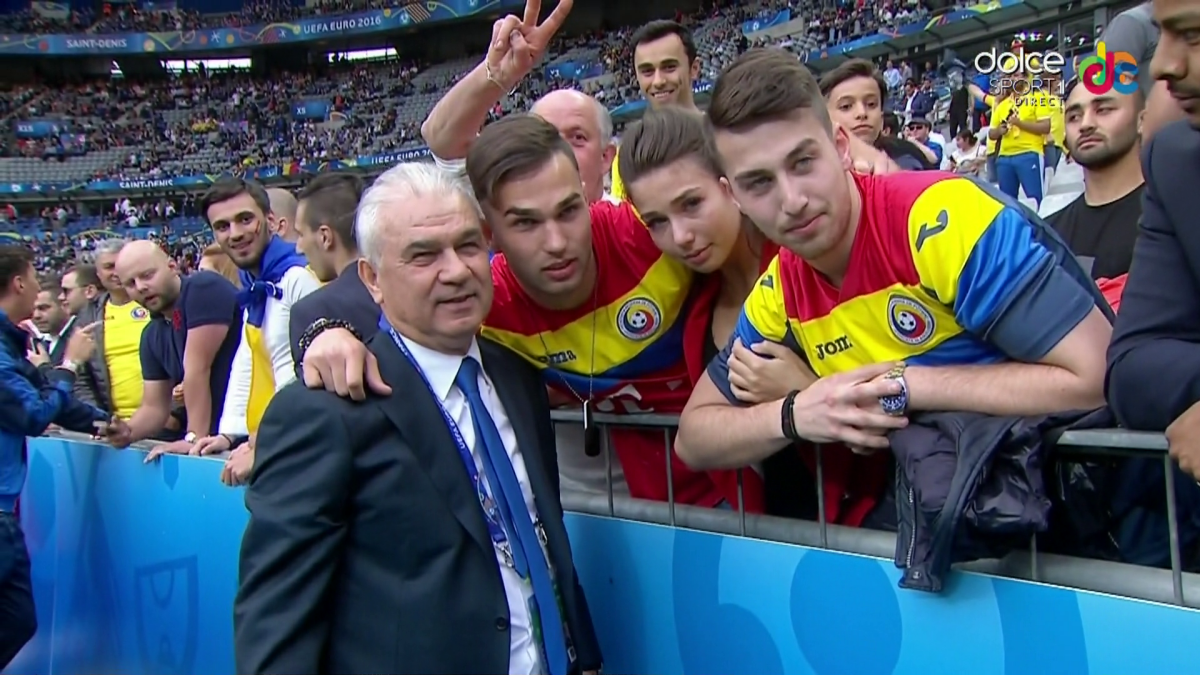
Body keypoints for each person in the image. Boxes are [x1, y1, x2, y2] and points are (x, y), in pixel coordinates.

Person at [234, 162, 601, 675]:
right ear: (372, 279)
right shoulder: (324, 412)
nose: (455, 271)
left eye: (468, 246)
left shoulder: (517, 378)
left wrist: (581, 652)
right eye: (423, 256)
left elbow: (542, 533)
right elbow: (276, 621)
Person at [671, 48, 1111, 475]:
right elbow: (692, 437)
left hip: (1086, 516)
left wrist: (901, 387)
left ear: (842, 148)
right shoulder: (779, 291)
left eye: (803, 162)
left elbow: (1096, 377)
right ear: (736, 198)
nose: (793, 201)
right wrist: (798, 412)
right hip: (964, 518)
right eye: (759, 183)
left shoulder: (940, 221)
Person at [0, 245, 106, 669]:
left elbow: (42, 395)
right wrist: (69, 366)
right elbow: (33, 412)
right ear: (20, 282)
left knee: (19, 618)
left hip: (6, 513)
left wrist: (103, 422)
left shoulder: (11, 345)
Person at [1106, 0, 1200, 478]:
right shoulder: (1177, 161)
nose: (1164, 65)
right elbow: (1134, 367)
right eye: (1163, 34)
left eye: (1195, 36)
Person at [190, 178, 322, 486]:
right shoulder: (254, 284)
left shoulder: (299, 278)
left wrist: (263, 445)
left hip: (297, 451)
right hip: (270, 447)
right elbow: (247, 360)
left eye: (245, 219)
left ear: (272, 222)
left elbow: (304, 375)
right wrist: (229, 433)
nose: (235, 233)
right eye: (222, 226)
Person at [103, 241, 241, 461]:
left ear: (172, 266)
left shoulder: (203, 288)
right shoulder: (151, 334)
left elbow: (197, 368)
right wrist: (127, 432)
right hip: (215, 448)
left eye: (147, 275)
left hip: (247, 436)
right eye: (130, 283)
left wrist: (193, 439)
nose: (140, 287)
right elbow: (154, 407)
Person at [1047, 76, 1146, 280]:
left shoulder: (1176, 217)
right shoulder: (1049, 235)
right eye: (1074, 117)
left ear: (1142, 121)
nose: (1085, 125)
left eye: (1103, 110)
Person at [289, 172, 377, 367]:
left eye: (301, 234)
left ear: (325, 237)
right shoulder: (407, 285)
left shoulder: (311, 312)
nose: (298, 247)